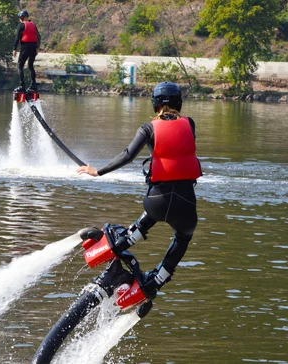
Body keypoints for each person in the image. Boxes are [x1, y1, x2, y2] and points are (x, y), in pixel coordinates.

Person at [77, 81, 201, 302]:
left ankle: (120, 243)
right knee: (183, 238)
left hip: (156, 201)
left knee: (148, 219)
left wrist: (98, 171)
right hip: (185, 203)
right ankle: (158, 279)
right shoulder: (189, 124)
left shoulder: (147, 128)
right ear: (179, 102)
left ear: (154, 104)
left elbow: (127, 155)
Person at [13, 9, 41, 92]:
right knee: (30, 65)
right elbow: (38, 37)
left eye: (19, 18)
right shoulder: (33, 24)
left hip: (25, 46)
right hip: (33, 46)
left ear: (21, 17)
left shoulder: (21, 25)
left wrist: (14, 49)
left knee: (20, 66)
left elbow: (17, 38)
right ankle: (33, 85)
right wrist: (37, 47)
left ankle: (22, 86)